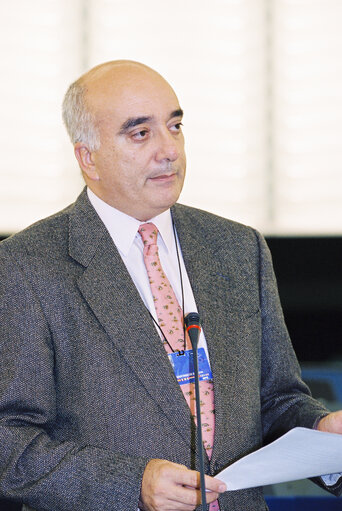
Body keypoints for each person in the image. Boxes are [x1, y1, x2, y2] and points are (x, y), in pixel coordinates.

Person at [0, 60, 342, 511]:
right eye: (140, 133)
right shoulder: (27, 266)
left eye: (175, 125)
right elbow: (9, 440)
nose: (169, 150)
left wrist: (320, 434)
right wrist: (130, 485)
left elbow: (277, 401)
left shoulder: (238, 248)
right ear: (88, 157)